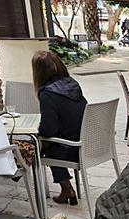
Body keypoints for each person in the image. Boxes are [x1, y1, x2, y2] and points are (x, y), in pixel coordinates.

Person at [32, 50, 86, 206]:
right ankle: (66, 189)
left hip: (70, 149)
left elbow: (48, 130)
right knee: (49, 145)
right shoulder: (72, 84)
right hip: (86, 143)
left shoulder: (47, 93)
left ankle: (66, 189)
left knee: (42, 147)